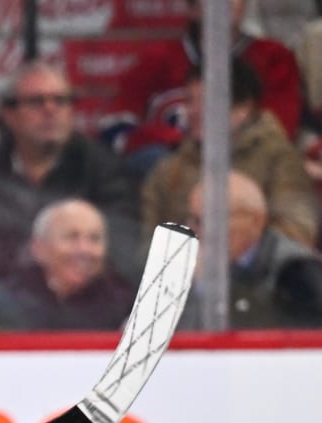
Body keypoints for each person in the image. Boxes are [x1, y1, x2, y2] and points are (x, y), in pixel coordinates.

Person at [0, 61, 138, 314]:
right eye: (37, 102)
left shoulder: (103, 169)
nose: (50, 110)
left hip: (85, 318)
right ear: (9, 114)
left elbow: (124, 250)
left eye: (60, 101)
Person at [141, 61, 318, 250]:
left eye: (206, 101)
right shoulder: (171, 168)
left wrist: (235, 251)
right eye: (190, 100)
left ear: (244, 108)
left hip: (254, 269)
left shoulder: (280, 161)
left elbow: (297, 233)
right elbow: (147, 246)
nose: (192, 111)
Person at [116, 0, 303, 169]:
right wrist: (174, 141)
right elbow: (118, 127)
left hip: (246, 168)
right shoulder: (157, 59)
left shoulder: (273, 57)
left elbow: (279, 131)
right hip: (174, 170)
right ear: (192, 9)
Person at [0, 199, 135, 334]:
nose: (84, 249)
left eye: (94, 239)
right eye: (71, 237)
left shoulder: (127, 308)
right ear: (39, 248)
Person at [186, 171, 322, 328]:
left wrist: (207, 286)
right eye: (194, 220)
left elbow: (295, 334)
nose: (199, 230)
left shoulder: (297, 271)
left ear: (256, 221)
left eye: (213, 220)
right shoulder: (190, 263)